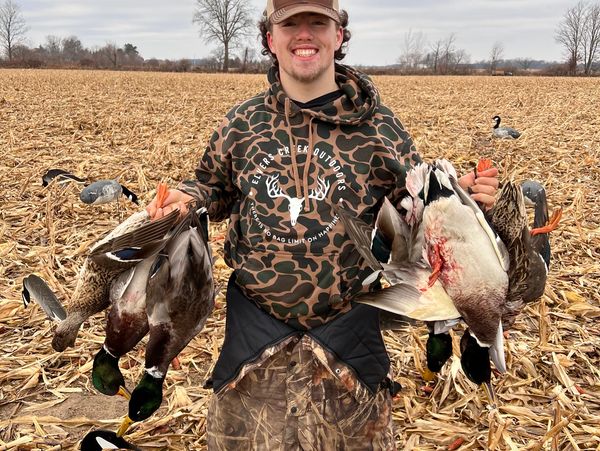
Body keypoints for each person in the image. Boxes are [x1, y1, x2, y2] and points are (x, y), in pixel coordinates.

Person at [147, 0, 499, 448]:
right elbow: (214, 189)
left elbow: (414, 211)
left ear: (339, 36)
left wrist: (458, 198)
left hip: (350, 343)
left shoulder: (378, 126)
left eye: (318, 22)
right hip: (254, 346)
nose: (305, 34)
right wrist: (186, 199)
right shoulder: (242, 123)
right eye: (291, 23)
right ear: (271, 40)